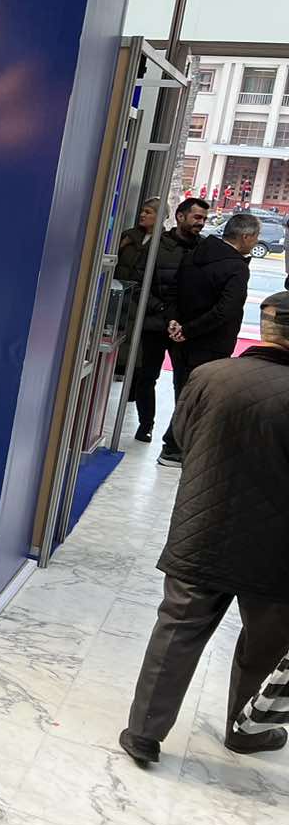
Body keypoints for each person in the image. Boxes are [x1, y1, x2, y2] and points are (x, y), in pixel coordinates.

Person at [120, 291, 289, 765]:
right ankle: (246, 730)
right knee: (265, 642)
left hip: (203, 526)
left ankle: (143, 734)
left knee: (177, 630)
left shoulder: (210, 375)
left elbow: (182, 438)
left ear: (264, 328)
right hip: (276, 547)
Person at [157, 211, 259, 466]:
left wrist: (175, 322)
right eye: (256, 237)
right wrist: (189, 330)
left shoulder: (194, 254)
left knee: (184, 391)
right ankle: (173, 448)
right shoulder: (236, 267)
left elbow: (173, 292)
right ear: (246, 237)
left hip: (180, 339)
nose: (256, 242)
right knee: (198, 397)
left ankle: (175, 445)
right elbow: (226, 310)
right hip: (210, 343)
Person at [120, 197, 205, 443]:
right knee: (147, 376)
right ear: (180, 216)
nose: (201, 222)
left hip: (185, 327)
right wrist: (160, 308)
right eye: (197, 217)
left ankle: (176, 435)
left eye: (204, 218)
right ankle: (146, 424)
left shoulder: (204, 249)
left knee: (184, 382)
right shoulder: (156, 246)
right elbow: (137, 284)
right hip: (156, 323)